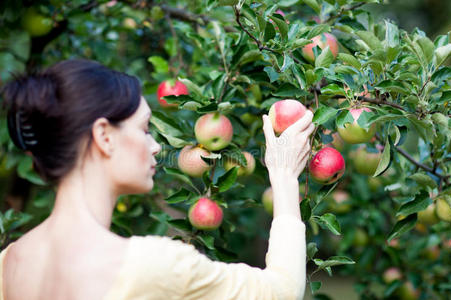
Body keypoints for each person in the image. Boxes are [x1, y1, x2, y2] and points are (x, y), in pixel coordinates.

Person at [0, 59, 315, 300]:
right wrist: (284, 176)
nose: (156, 147)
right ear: (104, 137)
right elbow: (281, 292)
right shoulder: (153, 266)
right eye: (145, 129)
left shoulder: (10, 263)